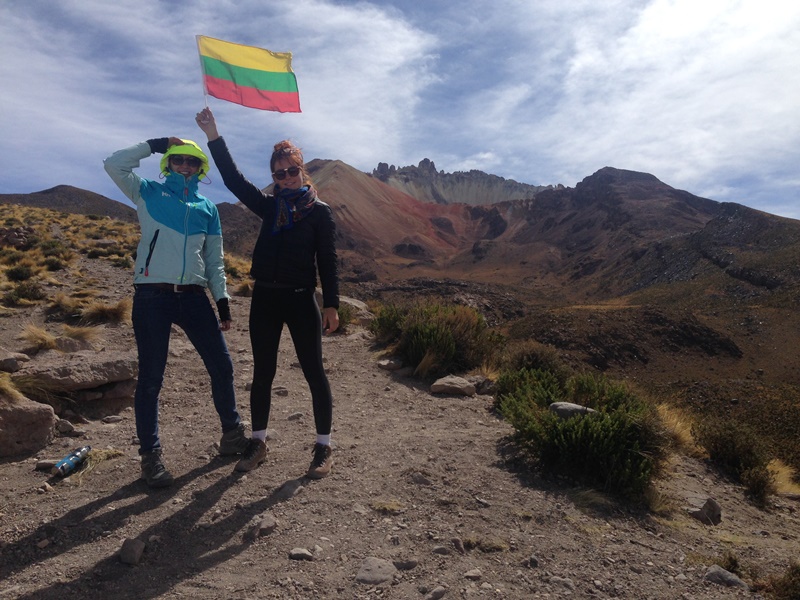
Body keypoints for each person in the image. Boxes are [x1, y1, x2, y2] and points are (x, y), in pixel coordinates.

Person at [195, 107, 339, 479]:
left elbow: (328, 260)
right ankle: (258, 442)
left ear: (302, 171)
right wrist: (213, 135)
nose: (286, 178)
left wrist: (332, 304)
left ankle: (323, 446)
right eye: (279, 173)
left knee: (314, 372)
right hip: (265, 299)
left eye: (292, 171)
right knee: (263, 373)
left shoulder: (320, 213)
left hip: (301, 297)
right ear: (273, 177)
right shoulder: (269, 205)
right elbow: (233, 180)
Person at [103, 136, 249, 488]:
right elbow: (113, 164)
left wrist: (222, 299)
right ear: (168, 163)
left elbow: (214, 260)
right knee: (151, 379)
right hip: (151, 295)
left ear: (200, 168)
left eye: (192, 161)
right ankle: (150, 458)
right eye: (178, 159)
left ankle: (232, 436)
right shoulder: (147, 192)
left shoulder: (207, 208)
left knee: (222, 367)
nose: (185, 166)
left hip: (194, 296)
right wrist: (154, 144)